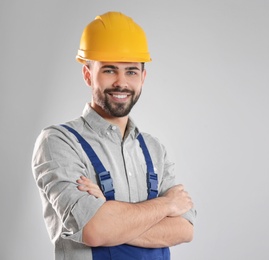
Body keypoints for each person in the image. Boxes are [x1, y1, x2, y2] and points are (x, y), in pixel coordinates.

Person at [31, 11, 196, 260]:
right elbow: (95, 230)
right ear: (88, 74)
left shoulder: (154, 149)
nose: (121, 82)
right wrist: (166, 205)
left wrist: (111, 214)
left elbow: (184, 229)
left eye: (131, 71)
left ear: (143, 78)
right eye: (109, 70)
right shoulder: (58, 142)